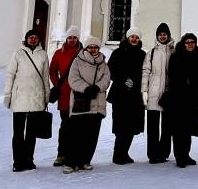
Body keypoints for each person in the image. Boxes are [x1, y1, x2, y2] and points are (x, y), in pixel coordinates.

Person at [3, 30, 51, 172]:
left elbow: (45, 77)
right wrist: (8, 94)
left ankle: (29, 160)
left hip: (36, 99)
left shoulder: (43, 54)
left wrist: (46, 95)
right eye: (30, 37)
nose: (33, 40)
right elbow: (10, 75)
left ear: (38, 40)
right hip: (20, 98)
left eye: (35, 38)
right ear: (26, 39)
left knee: (31, 134)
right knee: (18, 133)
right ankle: (17, 162)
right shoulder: (18, 53)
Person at [64, 36, 111, 174]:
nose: (93, 50)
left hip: (97, 102)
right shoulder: (77, 61)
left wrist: (97, 87)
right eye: (90, 47)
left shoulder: (103, 63)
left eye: (95, 47)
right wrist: (86, 88)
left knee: (91, 135)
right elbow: (72, 79)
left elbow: (106, 78)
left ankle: (85, 160)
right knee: (76, 134)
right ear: (86, 48)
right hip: (81, 101)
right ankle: (71, 162)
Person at [166, 33, 198, 167]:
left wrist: (195, 82)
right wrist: (186, 81)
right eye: (187, 42)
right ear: (183, 44)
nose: (190, 44)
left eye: (192, 42)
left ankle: (186, 154)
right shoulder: (176, 56)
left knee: (188, 129)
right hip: (178, 98)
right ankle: (179, 157)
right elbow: (173, 75)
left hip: (193, 98)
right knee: (179, 129)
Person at [107, 28, 146, 164]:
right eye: (132, 37)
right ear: (127, 38)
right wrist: (123, 80)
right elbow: (110, 70)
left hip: (135, 95)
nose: (134, 39)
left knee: (132, 125)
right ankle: (118, 154)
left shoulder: (142, 54)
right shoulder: (118, 52)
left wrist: (135, 83)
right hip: (120, 94)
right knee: (121, 125)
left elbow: (145, 72)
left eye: (137, 37)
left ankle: (125, 152)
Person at [49, 26, 81, 167]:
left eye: (74, 37)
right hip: (64, 94)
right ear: (66, 39)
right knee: (65, 125)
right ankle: (62, 154)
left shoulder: (83, 53)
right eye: (70, 37)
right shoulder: (59, 53)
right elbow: (52, 70)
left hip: (79, 94)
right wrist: (58, 85)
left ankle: (75, 155)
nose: (72, 40)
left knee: (77, 126)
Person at [142, 22, 174, 163]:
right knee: (153, 127)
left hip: (168, 93)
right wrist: (144, 90)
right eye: (160, 34)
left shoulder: (173, 51)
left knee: (167, 127)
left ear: (168, 35)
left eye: (164, 34)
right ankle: (153, 154)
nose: (162, 36)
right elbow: (146, 72)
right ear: (157, 36)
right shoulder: (152, 52)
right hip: (154, 91)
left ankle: (164, 153)